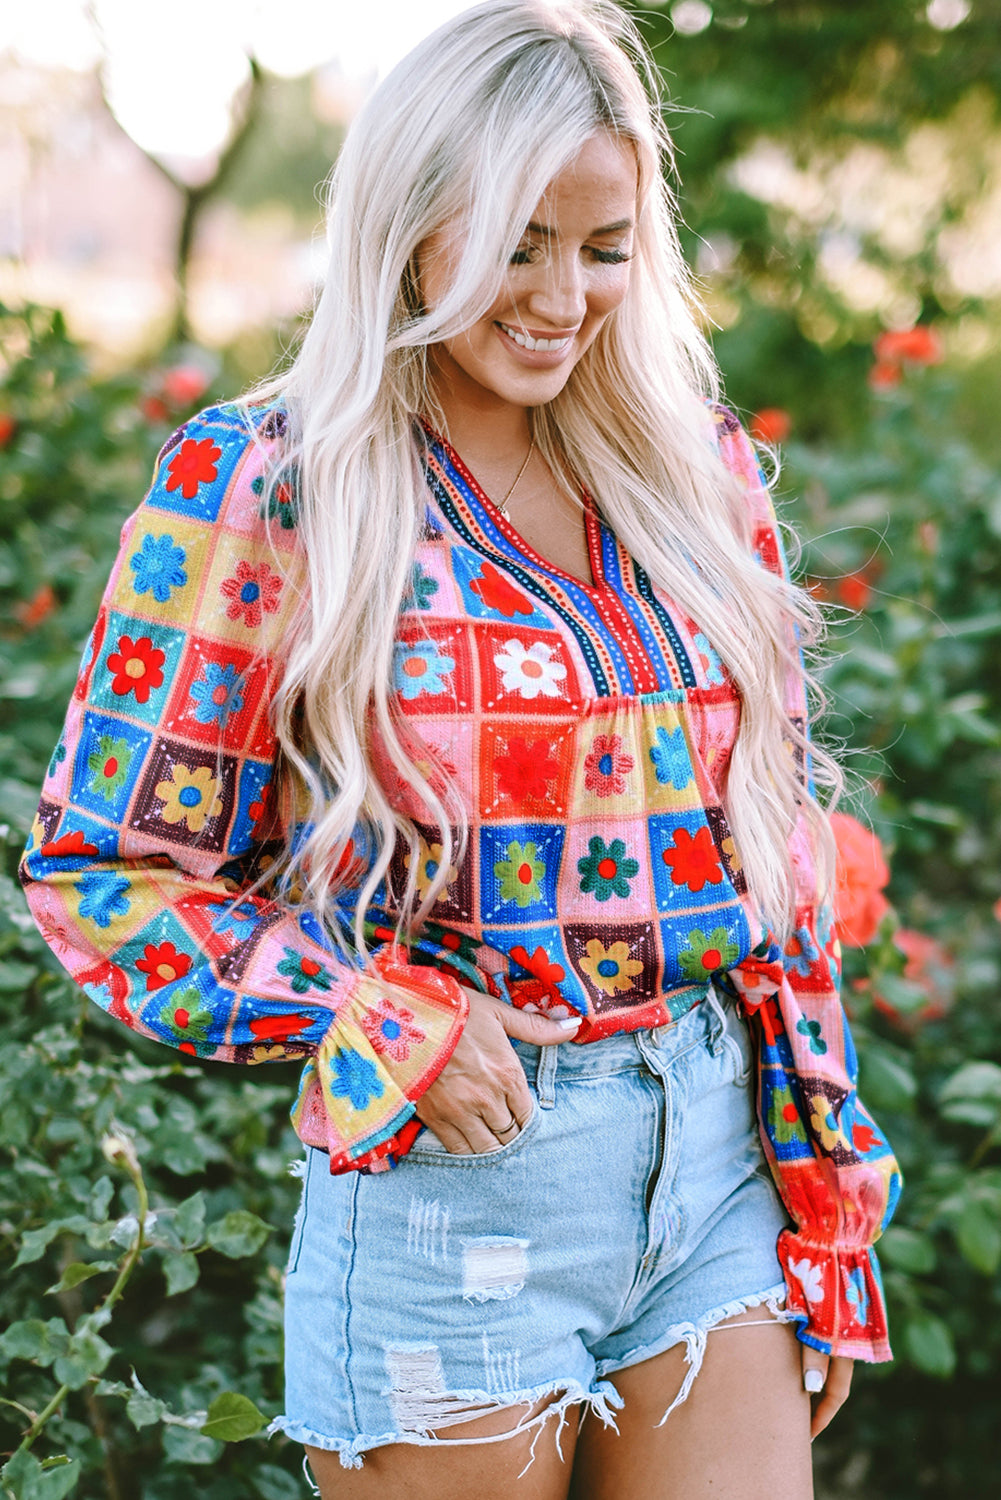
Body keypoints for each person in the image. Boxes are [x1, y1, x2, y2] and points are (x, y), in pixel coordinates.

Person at [20, 2, 902, 1496]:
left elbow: (770, 852)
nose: (566, 296)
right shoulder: (272, 483)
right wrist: (372, 1014)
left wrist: (828, 1179)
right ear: (412, 229)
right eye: (517, 243)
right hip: (455, 1192)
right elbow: (103, 879)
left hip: (714, 1167)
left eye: (604, 245)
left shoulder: (689, 473)